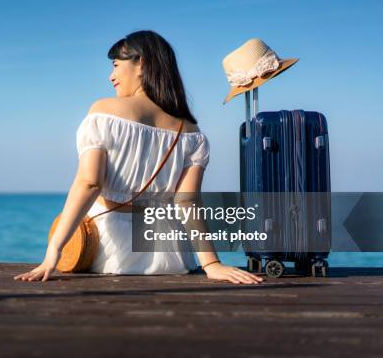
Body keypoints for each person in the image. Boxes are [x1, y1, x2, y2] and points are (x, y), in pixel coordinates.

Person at [14, 30, 263, 284]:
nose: (111, 76)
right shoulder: (190, 131)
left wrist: (53, 251)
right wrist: (212, 264)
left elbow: (90, 183)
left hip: (111, 252)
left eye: (116, 65)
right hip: (170, 256)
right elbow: (187, 202)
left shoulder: (104, 112)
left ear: (141, 63)